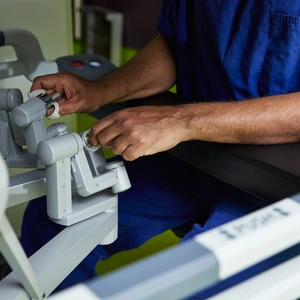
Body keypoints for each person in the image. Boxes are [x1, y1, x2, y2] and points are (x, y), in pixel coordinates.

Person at [21, 1, 300, 299]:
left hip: (278, 185)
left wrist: (178, 121)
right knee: (52, 219)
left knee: (185, 282)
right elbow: (174, 47)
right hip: (197, 158)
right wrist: (100, 90)